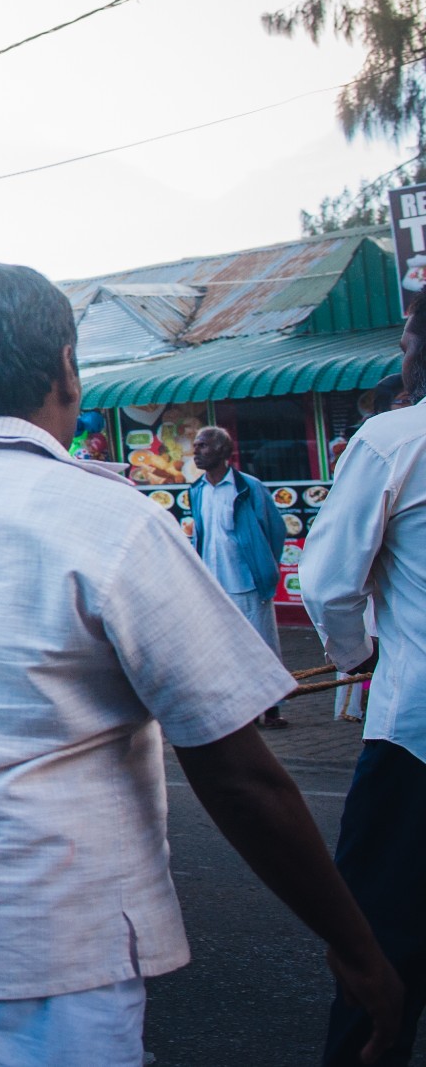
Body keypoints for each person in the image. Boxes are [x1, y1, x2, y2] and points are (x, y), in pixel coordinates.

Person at [0, 262, 400, 1067]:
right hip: (65, 953)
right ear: (66, 369)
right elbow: (237, 773)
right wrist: (356, 945)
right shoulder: (113, 521)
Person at [303, 298, 426, 1064]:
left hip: (416, 742)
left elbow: (327, 585)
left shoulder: (394, 441)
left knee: (377, 961)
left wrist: (354, 655)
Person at [190, 424, 290, 728]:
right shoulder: (197, 490)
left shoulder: (249, 487)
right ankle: (240, 708)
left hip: (248, 583)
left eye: (203, 446)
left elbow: (275, 530)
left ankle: (271, 709)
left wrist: (264, 564)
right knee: (224, 648)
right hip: (214, 582)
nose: (196, 451)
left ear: (222, 451)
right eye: (195, 446)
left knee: (262, 645)